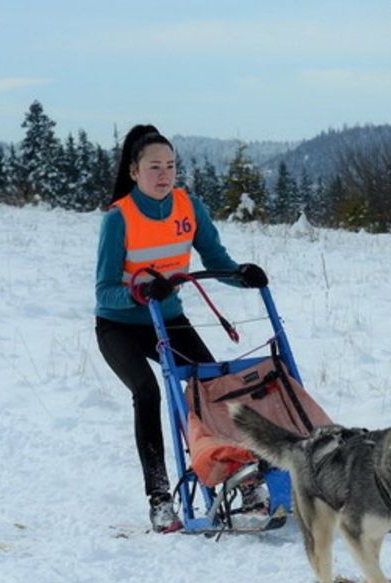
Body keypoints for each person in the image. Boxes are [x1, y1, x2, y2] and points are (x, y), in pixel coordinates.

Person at [95, 124, 268, 532]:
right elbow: (104, 292)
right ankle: (159, 499)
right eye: (154, 166)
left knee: (210, 389)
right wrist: (140, 290)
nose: (164, 174)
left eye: (170, 165)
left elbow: (215, 258)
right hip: (119, 326)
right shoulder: (118, 218)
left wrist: (243, 275)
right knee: (148, 391)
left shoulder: (189, 206)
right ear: (134, 172)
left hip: (169, 320)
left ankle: (241, 481)